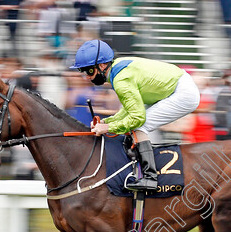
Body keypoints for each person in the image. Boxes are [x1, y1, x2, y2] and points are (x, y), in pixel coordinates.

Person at [71, 39, 200, 191]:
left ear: (102, 65)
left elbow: (137, 117)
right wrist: (107, 122)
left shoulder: (121, 80)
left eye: (89, 71)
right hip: (176, 85)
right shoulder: (118, 68)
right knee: (132, 124)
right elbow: (128, 110)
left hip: (183, 93)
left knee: (139, 126)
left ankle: (150, 178)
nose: (87, 77)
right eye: (84, 72)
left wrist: (107, 128)